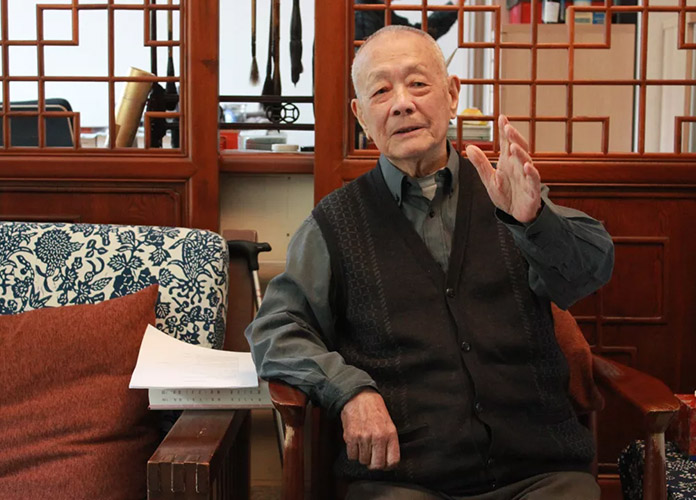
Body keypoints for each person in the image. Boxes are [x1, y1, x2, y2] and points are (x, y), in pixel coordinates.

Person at [246, 25, 614, 500]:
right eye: (381, 91)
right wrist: (349, 390)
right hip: (404, 481)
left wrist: (535, 221)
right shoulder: (334, 223)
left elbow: (588, 273)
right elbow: (276, 329)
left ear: (452, 94)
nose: (402, 103)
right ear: (361, 115)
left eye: (418, 83)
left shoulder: (508, 196)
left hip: (540, 474)